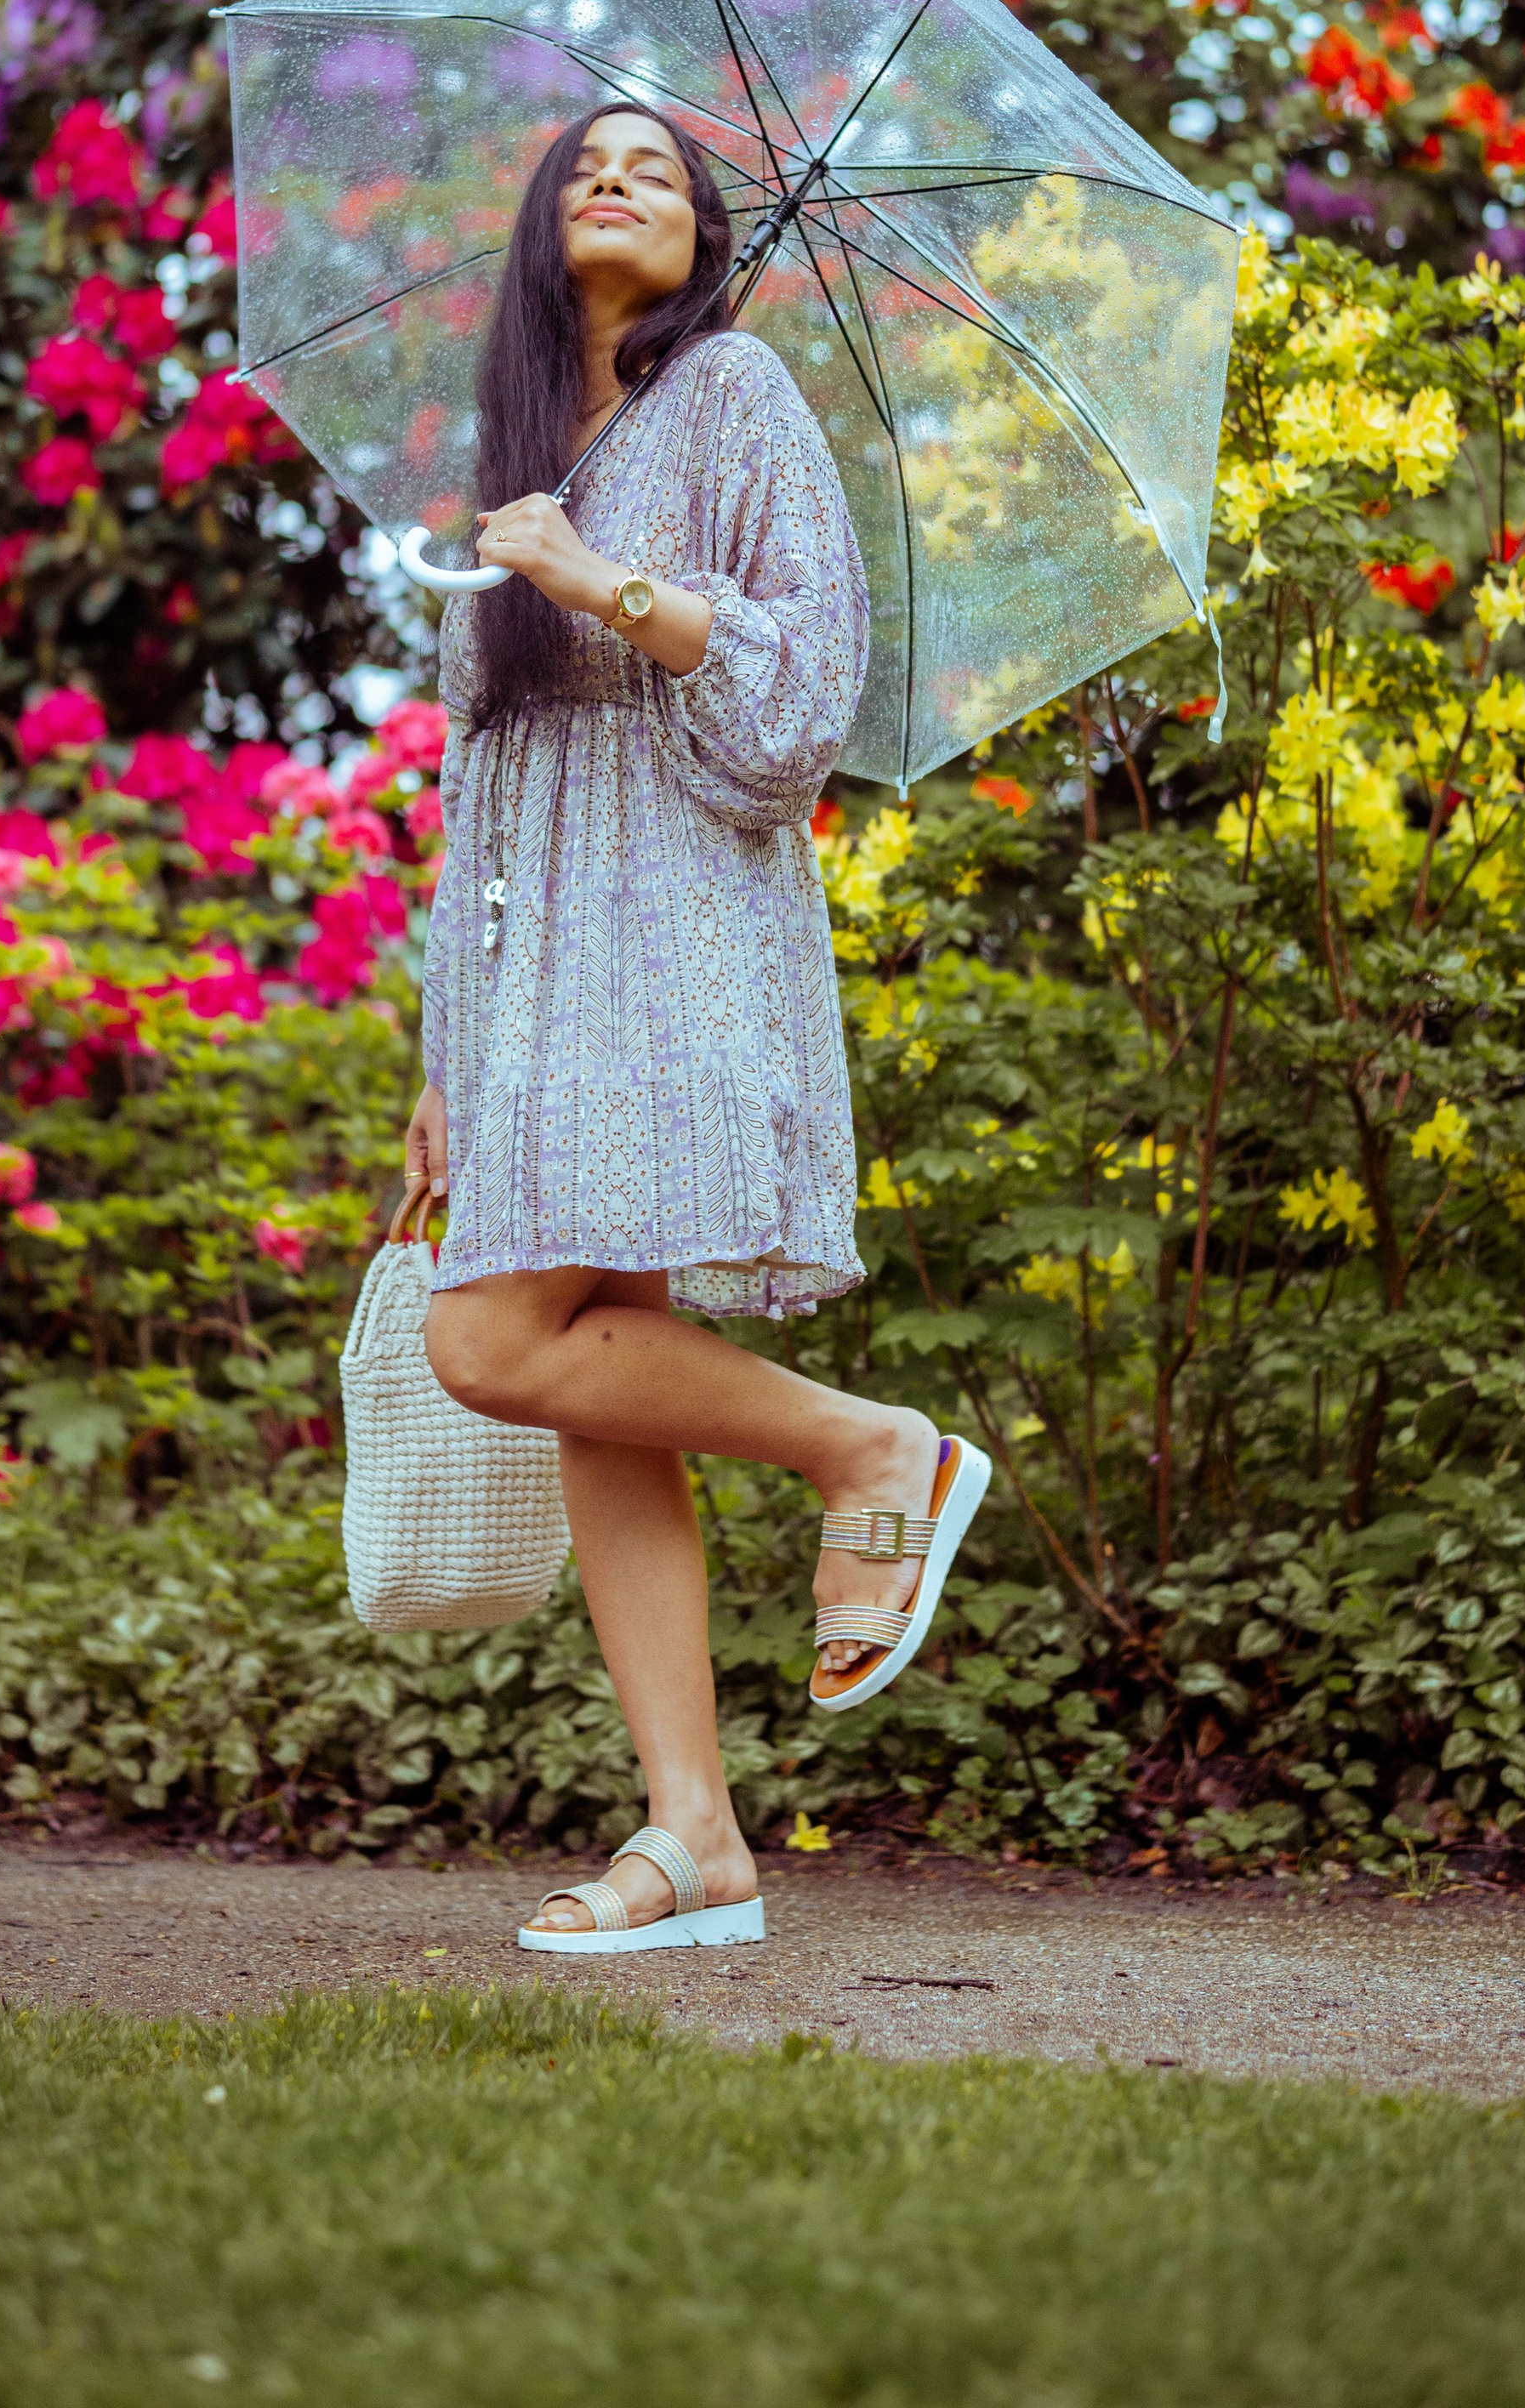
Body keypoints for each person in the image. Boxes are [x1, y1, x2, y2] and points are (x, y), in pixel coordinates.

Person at [405, 100, 988, 1952]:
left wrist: (611, 586)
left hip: (674, 919)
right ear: (537, 221)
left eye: (655, 167)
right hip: (537, 957)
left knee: (490, 1340)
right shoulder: (511, 464)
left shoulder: (730, 395)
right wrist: (447, 1056)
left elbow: (802, 702)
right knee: (586, 1352)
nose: (612, 176)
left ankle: (870, 1450)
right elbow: (471, 784)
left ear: (705, 235)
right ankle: (695, 1839)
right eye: (584, 159)